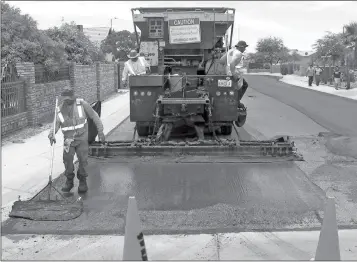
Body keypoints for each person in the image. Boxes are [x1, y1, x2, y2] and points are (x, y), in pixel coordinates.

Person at [48, 88, 105, 193]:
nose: (67, 100)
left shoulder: (82, 104)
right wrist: (51, 134)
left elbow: (94, 116)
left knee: (83, 160)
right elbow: (55, 124)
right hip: (68, 140)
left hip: (82, 137)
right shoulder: (60, 110)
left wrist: (100, 132)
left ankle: (82, 180)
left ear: (73, 96)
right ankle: (69, 180)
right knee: (67, 160)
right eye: (65, 99)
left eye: (69, 98)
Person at [219, 40, 249, 105]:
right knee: (241, 87)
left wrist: (227, 68)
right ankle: (237, 102)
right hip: (235, 73)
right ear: (241, 47)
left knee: (232, 88)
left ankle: (232, 101)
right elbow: (232, 64)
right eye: (244, 47)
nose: (245, 49)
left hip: (228, 72)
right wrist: (234, 74)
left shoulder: (230, 51)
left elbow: (221, 61)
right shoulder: (239, 53)